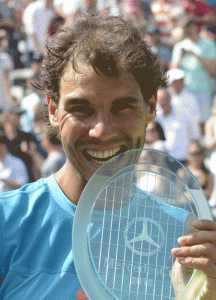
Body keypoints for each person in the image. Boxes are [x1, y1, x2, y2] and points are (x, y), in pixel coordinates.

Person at [0, 15, 216, 299]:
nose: (101, 131)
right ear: (53, 110)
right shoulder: (6, 222)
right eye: (81, 109)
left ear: (150, 107)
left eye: (122, 108)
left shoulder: (188, 240)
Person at [156, 86, 200, 165]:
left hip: (184, 161)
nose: (163, 102)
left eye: (165, 98)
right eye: (160, 100)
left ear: (170, 98)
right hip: (164, 162)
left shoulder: (184, 114)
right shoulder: (156, 118)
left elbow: (195, 136)